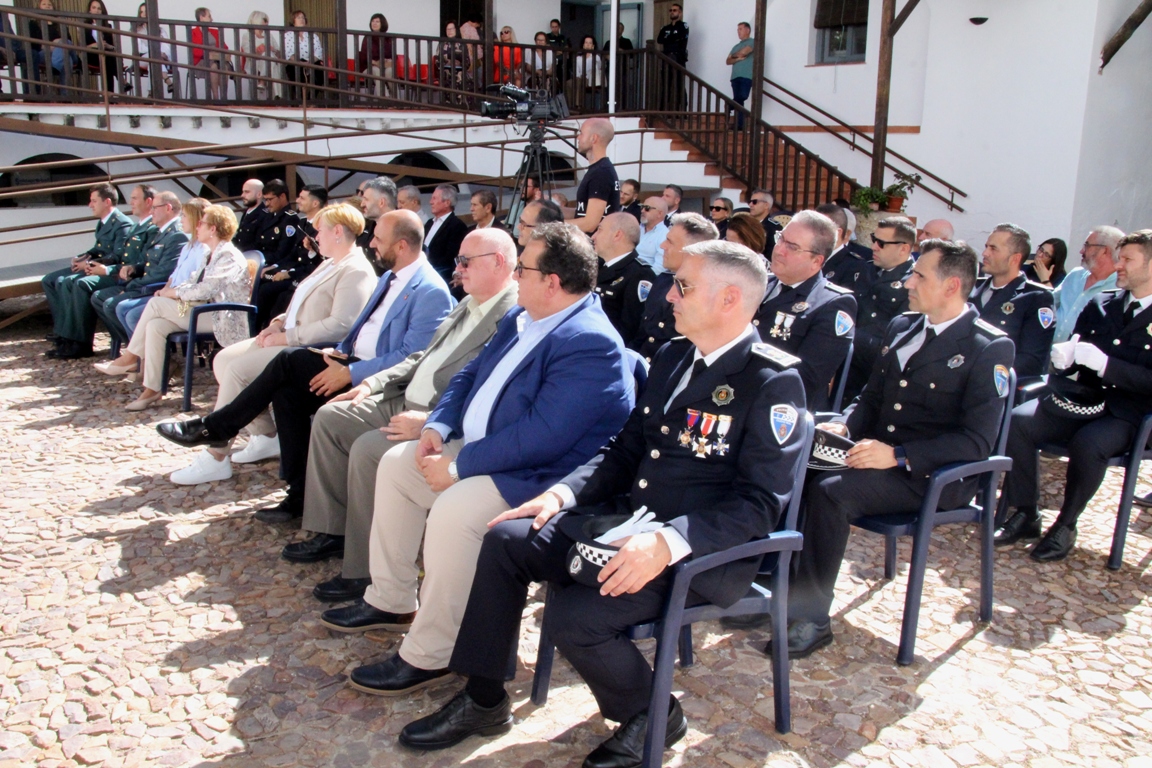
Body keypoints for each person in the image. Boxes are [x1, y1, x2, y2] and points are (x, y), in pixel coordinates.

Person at [397, 239, 806, 764]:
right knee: (504, 539)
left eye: (683, 286)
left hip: (696, 550)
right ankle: (483, 699)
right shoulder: (675, 355)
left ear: (730, 300)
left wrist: (666, 541)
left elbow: (759, 504)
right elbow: (625, 447)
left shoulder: (772, 382)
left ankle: (652, 714)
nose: (669, 297)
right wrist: (561, 493)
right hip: (624, 520)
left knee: (576, 616)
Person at [319, 223, 636, 701]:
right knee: (398, 462)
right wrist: (438, 427)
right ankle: (392, 598)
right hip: (485, 449)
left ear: (552, 282)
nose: (516, 277)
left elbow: (544, 436)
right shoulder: (522, 316)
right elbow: (470, 374)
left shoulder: (590, 342)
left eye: (524, 268)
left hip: (537, 476)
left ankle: (433, 652)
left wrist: (460, 463)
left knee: (455, 511)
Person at [785, 240, 1014, 657]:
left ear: (952, 285)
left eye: (920, 275)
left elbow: (977, 441)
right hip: (880, 455)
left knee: (831, 492)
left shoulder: (987, 347)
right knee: (800, 468)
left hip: (934, 475)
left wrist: (899, 455)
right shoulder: (904, 326)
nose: (909, 281)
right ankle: (785, 589)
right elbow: (872, 397)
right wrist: (845, 424)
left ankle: (812, 616)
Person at [157, 209, 453, 514]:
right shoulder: (392, 276)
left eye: (379, 239)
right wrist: (335, 355)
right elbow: (359, 329)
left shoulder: (429, 290)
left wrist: (350, 372)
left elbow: (411, 357)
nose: (372, 244)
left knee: (289, 361)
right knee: (287, 394)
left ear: (402, 246)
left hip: (374, 382)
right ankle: (298, 494)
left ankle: (217, 427)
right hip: (346, 359)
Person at [284, 229, 521, 601]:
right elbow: (422, 357)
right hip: (401, 395)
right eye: (458, 260)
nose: (457, 269)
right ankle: (333, 531)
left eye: (465, 261)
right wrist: (373, 383)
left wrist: (431, 422)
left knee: (368, 450)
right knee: (330, 419)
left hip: (434, 413)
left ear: (498, 262)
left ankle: (363, 570)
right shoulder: (469, 301)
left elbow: (485, 390)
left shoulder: (512, 314)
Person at [161, 202, 377, 484]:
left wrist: (286, 336)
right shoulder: (328, 264)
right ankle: (265, 435)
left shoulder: (356, 269)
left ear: (337, 231)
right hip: (287, 336)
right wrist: (277, 322)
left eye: (319, 231)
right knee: (223, 360)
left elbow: (341, 325)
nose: (313, 237)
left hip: (308, 348)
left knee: (238, 370)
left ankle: (217, 455)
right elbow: (299, 303)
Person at [995, 230, 1152, 561]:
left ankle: (1066, 525)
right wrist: (1064, 361)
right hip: (1084, 400)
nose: (1119, 266)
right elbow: (1075, 355)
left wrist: (1107, 365)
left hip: (1131, 413)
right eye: (1119, 258)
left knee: (1090, 444)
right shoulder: (1102, 303)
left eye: (1127, 260)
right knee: (1019, 423)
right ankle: (1026, 512)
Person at [102, 205, 252, 411]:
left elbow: (206, 290)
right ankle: (152, 389)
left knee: (155, 304)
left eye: (202, 223)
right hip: (200, 310)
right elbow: (191, 282)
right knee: (156, 325)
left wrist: (171, 293)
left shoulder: (228, 255)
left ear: (214, 229)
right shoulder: (209, 254)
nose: (197, 227)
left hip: (221, 316)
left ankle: (130, 357)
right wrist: (173, 290)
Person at [754, 211, 857, 411]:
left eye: (792, 247)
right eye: (781, 239)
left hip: (781, 408)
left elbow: (807, 378)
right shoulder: (759, 284)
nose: (779, 250)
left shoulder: (833, 304)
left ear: (816, 261)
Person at [48, 185, 157, 360]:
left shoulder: (130, 225)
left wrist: (101, 268)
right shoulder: (137, 226)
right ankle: (66, 335)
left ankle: (80, 341)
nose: (130, 202)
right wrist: (86, 258)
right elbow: (107, 251)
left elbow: (130, 260)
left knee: (79, 284)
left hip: (128, 278)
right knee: (56, 280)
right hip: (119, 272)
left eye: (135, 198)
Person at [90, 190, 191, 352]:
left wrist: (132, 285)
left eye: (155, 208)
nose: (151, 212)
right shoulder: (161, 232)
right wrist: (134, 268)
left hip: (156, 288)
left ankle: (142, 355)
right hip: (145, 283)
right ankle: (136, 352)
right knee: (105, 301)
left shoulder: (176, 235)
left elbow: (163, 273)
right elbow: (149, 262)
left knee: (114, 305)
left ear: (168, 208)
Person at [112, 197, 211, 344]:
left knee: (132, 315)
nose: (181, 220)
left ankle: (141, 357)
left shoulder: (204, 248)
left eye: (184, 216)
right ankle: (141, 358)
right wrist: (164, 289)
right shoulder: (188, 246)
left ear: (196, 220)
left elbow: (196, 282)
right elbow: (174, 275)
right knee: (122, 307)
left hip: (184, 300)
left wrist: (168, 293)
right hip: (170, 294)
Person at [842, 216, 918, 402]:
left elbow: (895, 339)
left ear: (904, 248)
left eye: (882, 243)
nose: (874, 246)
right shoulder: (863, 270)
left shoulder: (913, 284)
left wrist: (844, 335)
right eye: (874, 239)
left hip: (873, 377)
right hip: (845, 369)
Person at [630, 212, 717, 362]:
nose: (663, 246)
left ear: (692, 249)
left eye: (670, 242)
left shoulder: (707, 293)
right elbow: (642, 335)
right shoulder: (663, 281)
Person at [972, 223, 1055, 378]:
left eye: (993, 248)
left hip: (999, 387)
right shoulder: (972, 288)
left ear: (1015, 258)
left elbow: (1031, 361)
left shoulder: (1036, 298)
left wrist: (984, 375)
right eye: (986, 247)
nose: (985, 253)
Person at [255, 184, 328, 328]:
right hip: (296, 270)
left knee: (271, 292)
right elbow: (293, 254)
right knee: (261, 281)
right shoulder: (302, 223)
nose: (297, 200)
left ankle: (260, 330)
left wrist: (289, 273)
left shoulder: (323, 226)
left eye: (302, 198)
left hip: (307, 275)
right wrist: (275, 267)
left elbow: (319, 263)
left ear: (315, 203)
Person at [1051, 226, 1124, 342]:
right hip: (1049, 354)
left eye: (1087, 245)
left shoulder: (1119, 287)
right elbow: (1050, 303)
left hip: (1081, 357)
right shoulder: (1075, 275)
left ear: (1104, 251)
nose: (1081, 251)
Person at [592, 212, 655, 342]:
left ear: (617, 235)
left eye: (599, 230)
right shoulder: (597, 267)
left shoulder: (639, 274)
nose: (593, 237)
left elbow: (631, 330)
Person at [569, 117, 620, 234]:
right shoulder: (598, 169)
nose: (578, 137)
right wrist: (553, 211)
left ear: (593, 138)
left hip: (594, 246)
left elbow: (590, 224)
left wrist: (552, 225)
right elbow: (583, 212)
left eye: (581, 133)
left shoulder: (601, 173)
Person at [817, 202, 871, 289]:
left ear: (838, 233)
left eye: (821, 230)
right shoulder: (806, 257)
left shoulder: (855, 266)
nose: (813, 234)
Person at [424, 184, 470, 283]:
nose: (430, 202)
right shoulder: (429, 223)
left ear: (447, 203)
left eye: (434, 198)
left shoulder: (457, 225)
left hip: (439, 276)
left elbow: (451, 257)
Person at [283, 9, 324, 102]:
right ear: (293, 21)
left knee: (320, 72)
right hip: (295, 62)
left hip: (310, 61)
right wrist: (300, 62)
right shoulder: (288, 35)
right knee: (295, 71)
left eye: (303, 18)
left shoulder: (312, 35)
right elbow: (288, 53)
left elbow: (318, 52)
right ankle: (299, 101)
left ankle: (310, 100)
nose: (301, 19)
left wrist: (310, 62)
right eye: (298, 17)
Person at [240, 10, 281, 100]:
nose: (267, 22)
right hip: (254, 63)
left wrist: (272, 49)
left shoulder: (268, 35)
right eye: (264, 20)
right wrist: (259, 51)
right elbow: (248, 53)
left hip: (270, 62)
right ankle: (277, 95)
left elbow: (278, 52)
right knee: (268, 57)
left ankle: (262, 81)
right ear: (256, 20)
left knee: (270, 57)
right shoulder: (247, 36)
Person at [357, 176, 397, 265]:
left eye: (366, 199)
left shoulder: (401, 228)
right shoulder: (368, 226)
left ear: (381, 202)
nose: (362, 204)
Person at [84, 0, 121, 94]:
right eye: (94, 8)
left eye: (99, 8)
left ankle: (109, 95)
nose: (96, 10)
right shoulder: (84, 26)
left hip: (106, 54)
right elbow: (81, 47)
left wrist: (107, 45)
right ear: (89, 10)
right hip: (91, 55)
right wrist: (95, 45)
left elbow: (115, 48)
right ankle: (120, 84)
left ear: (102, 12)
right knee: (109, 58)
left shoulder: (108, 26)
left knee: (108, 57)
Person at [190, 7, 227, 100]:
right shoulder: (193, 32)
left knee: (224, 67)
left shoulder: (215, 32)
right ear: (201, 17)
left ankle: (223, 97)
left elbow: (225, 47)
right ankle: (216, 98)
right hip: (201, 61)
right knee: (214, 67)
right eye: (209, 16)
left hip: (218, 59)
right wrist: (207, 54)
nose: (212, 19)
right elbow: (194, 50)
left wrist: (217, 52)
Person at [657, 3, 689, 110]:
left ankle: (683, 110)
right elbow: (660, 40)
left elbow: (680, 37)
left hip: (678, 59)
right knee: (665, 85)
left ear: (680, 13)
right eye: (670, 10)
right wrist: (673, 38)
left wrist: (669, 37)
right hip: (666, 59)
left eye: (674, 10)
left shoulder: (683, 25)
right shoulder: (665, 27)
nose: (672, 12)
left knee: (680, 85)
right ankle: (662, 109)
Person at [726, 22, 755, 129]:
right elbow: (728, 61)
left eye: (741, 29)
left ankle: (730, 104)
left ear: (748, 30)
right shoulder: (736, 46)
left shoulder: (753, 42)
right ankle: (739, 125)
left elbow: (744, 53)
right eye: (738, 29)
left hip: (746, 75)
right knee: (740, 102)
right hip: (735, 76)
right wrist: (737, 58)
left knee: (742, 96)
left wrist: (735, 56)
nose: (738, 31)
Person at [358, 13, 393, 98]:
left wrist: (389, 62)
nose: (374, 23)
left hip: (384, 66)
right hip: (369, 68)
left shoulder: (388, 38)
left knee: (390, 71)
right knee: (376, 70)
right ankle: (385, 99)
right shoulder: (367, 37)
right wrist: (376, 63)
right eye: (373, 21)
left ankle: (397, 99)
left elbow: (392, 56)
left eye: (377, 21)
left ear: (382, 23)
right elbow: (363, 57)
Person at [438, 21, 472, 99]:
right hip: (446, 73)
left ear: (456, 30)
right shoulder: (442, 44)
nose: (449, 31)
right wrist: (447, 62)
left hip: (459, 74)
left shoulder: (462, 44)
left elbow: (468, 62)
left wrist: (459, 63)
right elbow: (438, 60)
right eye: (448, 29)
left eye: (452, 29)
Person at [635, 197, 669, 272]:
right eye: (642, 207)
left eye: (647, 208)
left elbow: (659, 268)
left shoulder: (665, 235)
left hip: (643, 277)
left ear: (659, 214)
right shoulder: (636, 228)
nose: (642, 211)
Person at [232, 179, 266, 252]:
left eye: (247, 192)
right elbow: (239, 237)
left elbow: (258, 243)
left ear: (259, 194)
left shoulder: (264, 215)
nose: (242, 195)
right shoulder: (247, 212)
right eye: (243, 192)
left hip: (252, 257)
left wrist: (237, 251)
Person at [574, 35, 603, 111]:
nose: (587, 44)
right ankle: (570, 105)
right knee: (569, 84)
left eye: (590, 43)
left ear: (593, 46)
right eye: (586, 42)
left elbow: (598, 68)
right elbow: (577, 71)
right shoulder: (578, 58)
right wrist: (579, 76)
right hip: (580, 77)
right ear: (583, 45)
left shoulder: (596, 57)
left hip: (590, 78)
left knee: (579, 82)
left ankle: (578, 106)